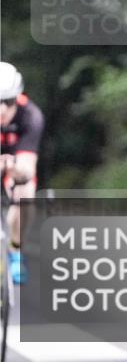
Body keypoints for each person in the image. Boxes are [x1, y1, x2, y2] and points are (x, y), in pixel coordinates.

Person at [0, 62, 43, 285]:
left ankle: (16, 250)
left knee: (25, 194)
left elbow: (27, 168)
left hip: (15, 163)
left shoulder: (31, 116)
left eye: (6, 102)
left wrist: (12, 168)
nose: (1, 110)